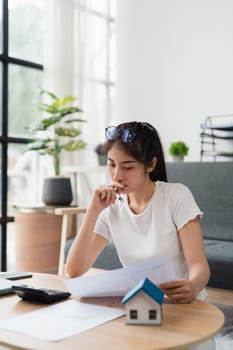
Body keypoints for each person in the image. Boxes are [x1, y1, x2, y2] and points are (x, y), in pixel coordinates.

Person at [66, 121, 214, 349]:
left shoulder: (176, 196)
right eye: (111, 165)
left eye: (127, 167)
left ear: (151, 164)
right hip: (141, 310)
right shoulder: (111, 207)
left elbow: (199, 266)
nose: (117, 175)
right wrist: (93, 211)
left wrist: (192, 286)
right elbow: (74, 271)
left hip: (183, 306)